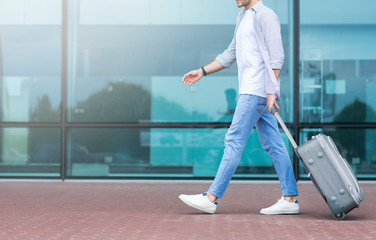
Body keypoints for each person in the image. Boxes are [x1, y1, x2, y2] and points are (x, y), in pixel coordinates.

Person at [179, 0, 299, 215]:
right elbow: (230, 54)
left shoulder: (266, 15)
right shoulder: (243, 17)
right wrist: (202, 71)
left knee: (234, 140)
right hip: (254, 90)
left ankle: (212, 197)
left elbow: (276, 57)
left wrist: (271, 92)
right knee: (274, 144)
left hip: (256, 90)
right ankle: (289, 199)